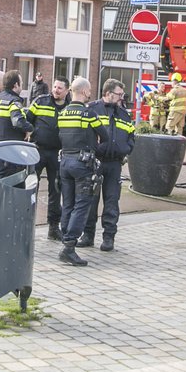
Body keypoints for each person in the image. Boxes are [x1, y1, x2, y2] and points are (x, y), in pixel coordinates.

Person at [54, 77, 109, 266]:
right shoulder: (88, 114)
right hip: (82, 164)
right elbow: (105, 135)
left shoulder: (63, 113)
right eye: (90, 90)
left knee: (67, 204)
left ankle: (65, 241)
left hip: (65, 162)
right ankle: (69, 247)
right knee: (82, 205)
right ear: (85, 92)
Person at [83, 79, 136, 251]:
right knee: (91, 201)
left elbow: (131, 136)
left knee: (112, 201)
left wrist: (126, 149)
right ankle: (88, 235)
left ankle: (108, 238)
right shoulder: (92, 109)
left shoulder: (123, 113)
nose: (122, 98)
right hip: (95, 162)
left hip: (114, 164)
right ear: (108, 93)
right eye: (119, 94)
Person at [29, 78, 68, 240]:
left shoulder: (70, 107)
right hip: (37, 150)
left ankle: (53, 227)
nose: (56, 90)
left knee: (56, 190)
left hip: (57, 154)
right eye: (54, 86)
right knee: (31, 188)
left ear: (67, 91)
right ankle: (28, 225)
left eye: (60, 88)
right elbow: (27, 121)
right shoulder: (40, 101)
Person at [0, 71, 32, 153]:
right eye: (21, 84)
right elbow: (17, 121)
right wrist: (30, 128)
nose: (22, 87)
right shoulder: (13, 101)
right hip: (10, 152)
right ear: (16, 85)